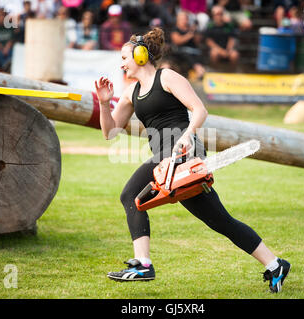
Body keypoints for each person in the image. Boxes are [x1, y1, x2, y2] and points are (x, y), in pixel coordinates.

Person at [94, 27, 291, 293]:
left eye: (125, 57)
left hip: (185, 155)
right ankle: (275, 264)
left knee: (131, 195)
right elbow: (110, 132)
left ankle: (143, 264)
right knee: (219, 220)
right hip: (164, 160)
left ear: (141, 56)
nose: (121, 63)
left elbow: (200, 109)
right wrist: (105, 104)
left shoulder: (168, 78)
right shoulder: (131, 93)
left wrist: (187, 135)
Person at [170, 10, 205, 80]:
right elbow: (177, 41)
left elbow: (198, 41)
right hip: (181, 52)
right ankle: (199, 71)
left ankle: (200, 72)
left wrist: (195, 31)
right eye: (182, 19)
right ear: (177, 20)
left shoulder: (191, 29)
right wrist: (189, 35)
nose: (184, 21)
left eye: (186, 18)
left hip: (194, 52)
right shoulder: (175, 30)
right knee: (187, 55)